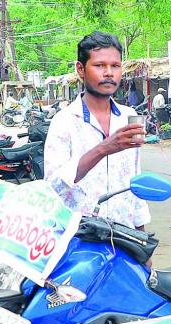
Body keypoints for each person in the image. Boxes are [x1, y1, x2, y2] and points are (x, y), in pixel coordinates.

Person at [44, 31, 149, 231]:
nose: (109, 72)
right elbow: (53, 187)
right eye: (100, 65)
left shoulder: (129, 116)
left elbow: (134, 187)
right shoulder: (64, 121)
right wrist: (104, 149)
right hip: (78, 241)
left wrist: (142, 247)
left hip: (124, 241)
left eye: (115, 66)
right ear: (80, 69)